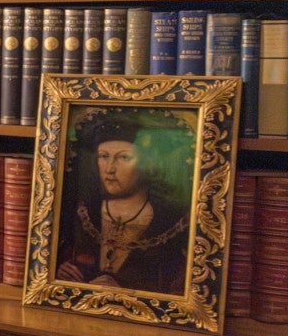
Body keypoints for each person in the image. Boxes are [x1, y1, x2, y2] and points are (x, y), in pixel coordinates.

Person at [55, 112, 191, 295]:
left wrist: (125, 290)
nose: (109, 169)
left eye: (124, 158)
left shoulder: (172, 223)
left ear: (148, 164)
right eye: (103, 156)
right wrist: (60, 273)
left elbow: (177, 289)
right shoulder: (83, 212)